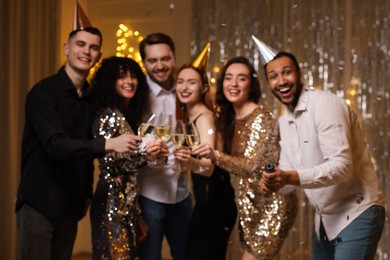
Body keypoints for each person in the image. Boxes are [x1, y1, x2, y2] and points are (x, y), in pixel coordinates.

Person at [15, 26, 140, 259]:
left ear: (98, 56)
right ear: (67, 48)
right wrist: (108, 144)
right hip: (38, 202)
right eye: (80, 44)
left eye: (93, 47)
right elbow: (56, 145)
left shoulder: (92, 100)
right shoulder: (43, 92)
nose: (86, 51)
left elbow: (84, 156)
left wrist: (86, 195)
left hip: (70, 205)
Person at [258, 50, 385, 260]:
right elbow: (289, 180)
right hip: (324, 221)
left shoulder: (325, 104)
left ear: (299, 74)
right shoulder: (284, 121)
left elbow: (342, 167)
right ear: (269, 83)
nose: (281, 81)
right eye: (273, 76)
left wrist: (288, 177)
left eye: (286, 72)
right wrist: (275, 183)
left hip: (357, 211)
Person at [200, 56, 298, 260]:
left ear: (251, 85)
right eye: (228, 78)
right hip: (249, 204)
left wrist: (216, 155)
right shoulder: (229, 119)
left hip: (272, 205)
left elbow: (251, 167)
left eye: (241, 78)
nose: (234, 84)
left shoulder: (261, 118)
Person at [89, 56, 167, 259]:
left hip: (126, 206)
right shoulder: (110, 115)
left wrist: (137, 214)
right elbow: (111, 168)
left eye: (133, 76)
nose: (129, 81)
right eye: (121, 77)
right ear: (109, 82)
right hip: (110, 204)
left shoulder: (126, 115)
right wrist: (145, 156)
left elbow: (129, 178)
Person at [137, 32, 192, 260]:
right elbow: (128, 139)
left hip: (182, 193)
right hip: (150, 195)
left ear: (173, 57)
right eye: (152, 60)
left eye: (165, 59)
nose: (160, 65)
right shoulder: (138, 94)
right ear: (144, 62)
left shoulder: (186, 89)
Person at [174, 61, 237, 260]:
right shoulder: (189, 115)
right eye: (180, 81)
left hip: (216, 202)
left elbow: (208, 168)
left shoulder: (204, 118)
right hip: (206, 200)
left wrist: (187, 161)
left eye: (191, 82)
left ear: (203, 88)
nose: (184, 87)